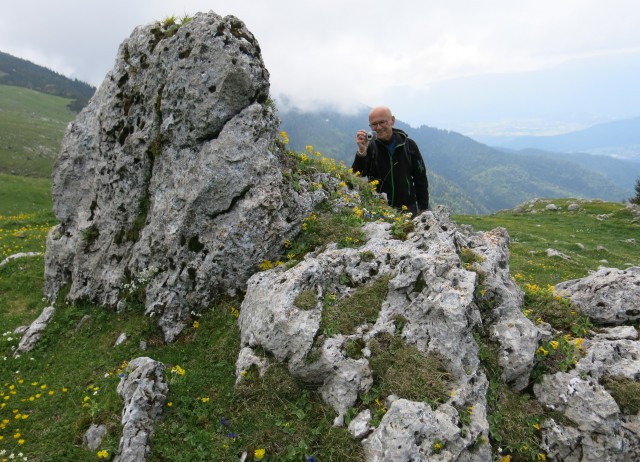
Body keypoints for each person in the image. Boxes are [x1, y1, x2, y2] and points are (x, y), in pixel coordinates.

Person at [352, 106, 429, 215]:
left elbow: (420, 177)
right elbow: (357, 175)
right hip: (379, 209)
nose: (378, 127)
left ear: (392, 120)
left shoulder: (409, 145)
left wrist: (423, 207)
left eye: (382, 122)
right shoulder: (370, 147)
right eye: (374, 124)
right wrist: (361, 151)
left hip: (408, 209)